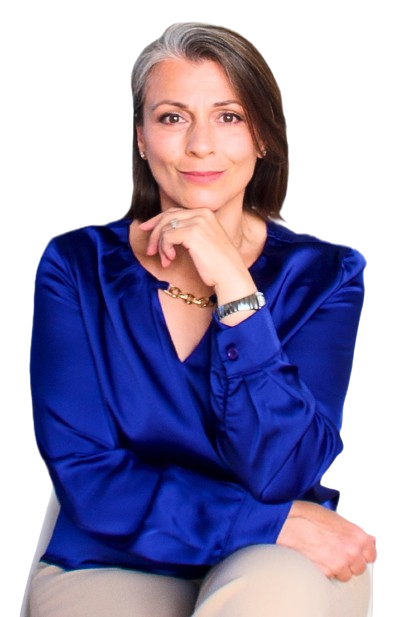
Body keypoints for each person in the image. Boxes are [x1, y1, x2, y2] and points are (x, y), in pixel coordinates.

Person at [29, 21, 377, 617]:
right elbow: (88, 474)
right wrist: (259, 520)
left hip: (281, 547)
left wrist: (236, 288)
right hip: (117, 547)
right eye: (171, 117)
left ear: (263, 137)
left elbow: (282, 469)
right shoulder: (76, 266)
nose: (199, 145)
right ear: (141, 138)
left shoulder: (329, 274)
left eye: (229, 116)